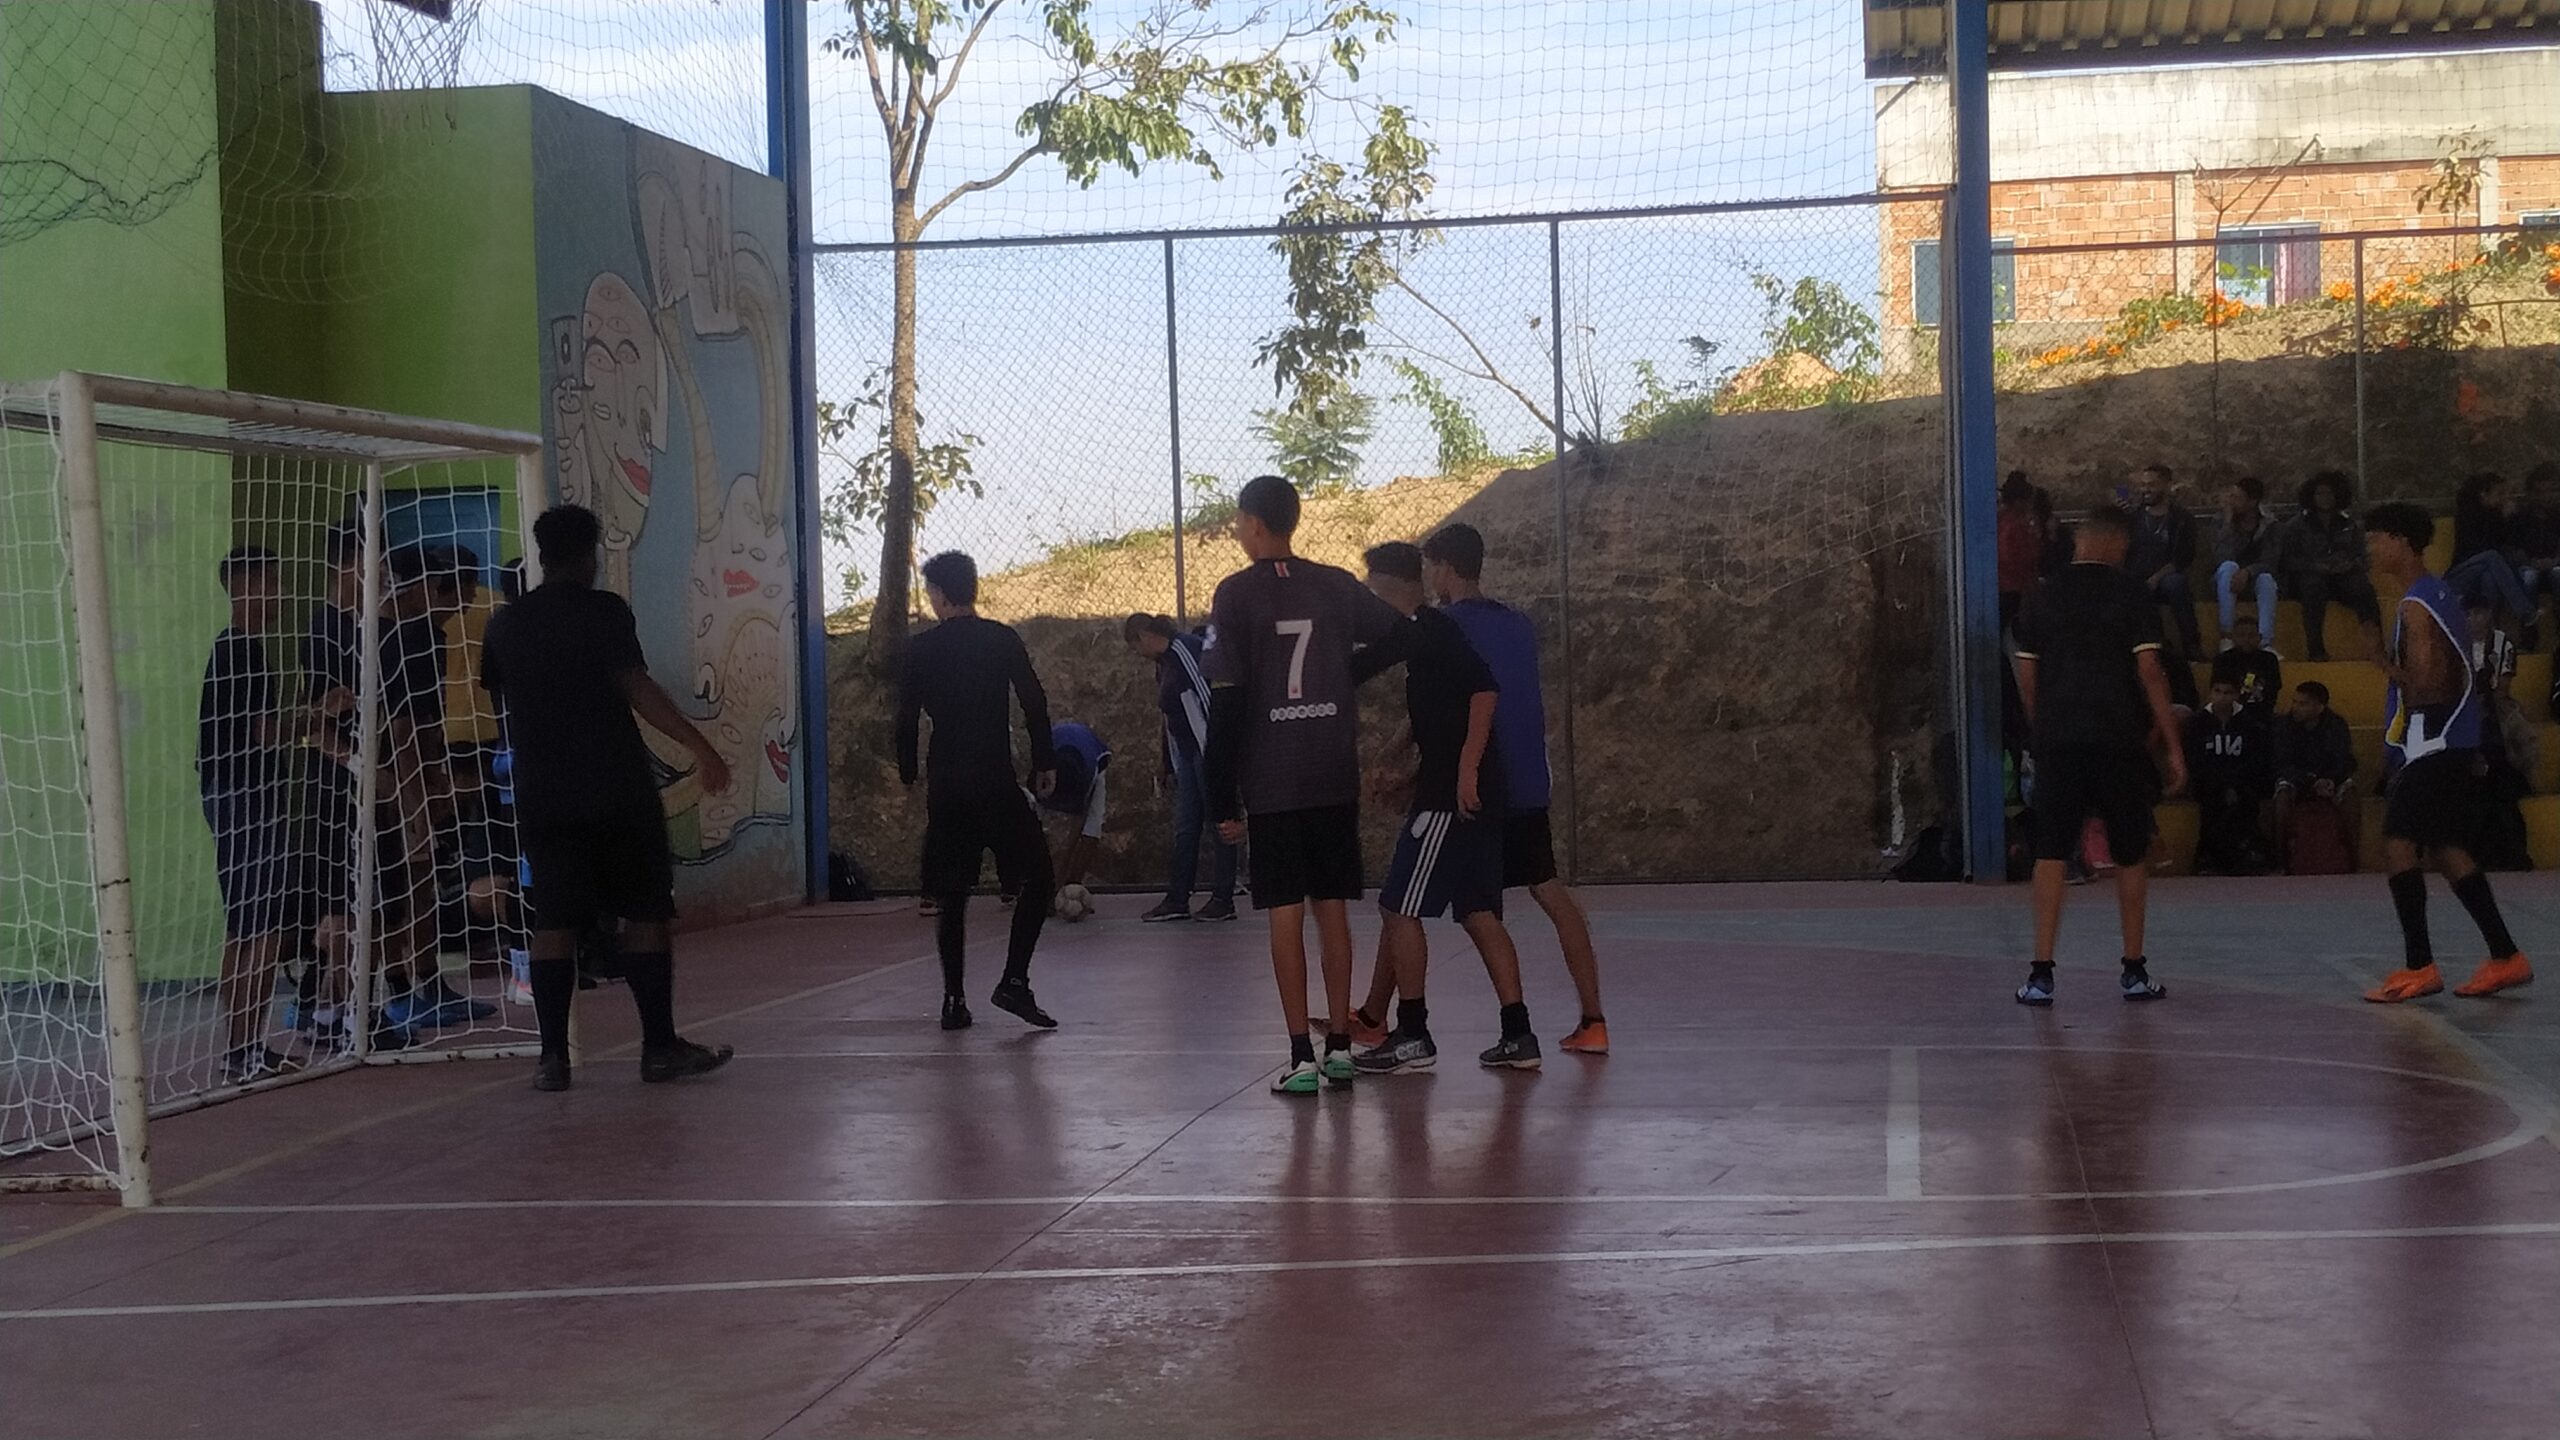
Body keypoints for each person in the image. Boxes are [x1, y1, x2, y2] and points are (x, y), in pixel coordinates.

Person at [480, 505, 736, 1090]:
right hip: (614, 785)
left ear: (542, 553)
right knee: (645, 912)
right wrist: (703, 749)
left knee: (554, 920)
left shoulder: (505, 625)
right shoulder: (605, 612)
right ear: (589, 553)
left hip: (543, 791)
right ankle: (659, 1047)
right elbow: (637, 688)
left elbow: (500, 702)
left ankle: (552, 1059)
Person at [1201, 475, 1412, 1096]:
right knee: (1333, 911)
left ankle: (1299, 1056)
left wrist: (1220, 796)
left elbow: (1227, 700)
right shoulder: (1336, 584)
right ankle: (1340, 1047)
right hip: (1330, 772)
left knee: (1285, 916)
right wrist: (1342, 674)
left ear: (1253, 524)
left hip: (1273, 778)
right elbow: (1401, 634)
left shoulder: (1235, 594)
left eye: (1239, 522)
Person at [1344, 542, 1542, 1075]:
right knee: (1478, 912)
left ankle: (1413, 1034)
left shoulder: (1433, 630)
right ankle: (1519, 1034)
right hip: (1457, 792)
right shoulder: (1413, 635)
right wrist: (1408, 775)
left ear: (1388, 587)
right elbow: (1358, 668)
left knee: (1398, 908)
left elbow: (1484, 692)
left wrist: (1466, 770)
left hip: (1452, 802)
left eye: (1370, 589)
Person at [1412, 520, 1610, 1054]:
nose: (1430, 578)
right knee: (1549, 891)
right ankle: (1593, 1019)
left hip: (1482, 783)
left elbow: (1445, 709)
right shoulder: (1518, 623)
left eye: (1432, 568)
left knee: (1415, 900)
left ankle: (1508, 1027)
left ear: (1446, 568)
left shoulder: (1445, 627)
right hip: (1529, 780)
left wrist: (1415, 767)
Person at [2358, 503, 2535, 1003]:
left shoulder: (2416, 605)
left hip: (2435, 741)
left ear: (2401, 541)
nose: (2371, 549)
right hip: (2452, 739)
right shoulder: (2437, 595)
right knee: (2447, 848)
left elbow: (2431, 686)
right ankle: (2506, 956)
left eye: (2376, 539)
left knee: (2398, 843)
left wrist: (2382, 664)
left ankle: (2420, 965)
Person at [2011, 504, 2187, 1006]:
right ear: (2116, 543)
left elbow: (2028, 679)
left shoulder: (2041, 596)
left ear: (2079, 540)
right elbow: (2150, 672)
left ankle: (2041, 974)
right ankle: (2133, 970)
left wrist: (2044, 728)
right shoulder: (2131, 593)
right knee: (2130, 853)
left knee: (2050, 852)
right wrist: (2172, 745)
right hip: (2119, 740)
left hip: (2058, 742)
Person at [896, 550, 1061, 1031]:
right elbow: (1033, 701)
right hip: (994, 778)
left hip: (947, 783)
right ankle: (1013, 980)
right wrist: (1044, 760)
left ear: (938, 594)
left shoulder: (921, 649)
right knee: (1038, 878)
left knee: (953, 892)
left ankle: (953, 1000)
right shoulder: (1000, 639)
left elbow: (906, 716)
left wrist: (908, 772)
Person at [198, 547, 317, 1082]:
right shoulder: (242, 650)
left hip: (232, 795)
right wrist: (316, 716)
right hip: (244, 797)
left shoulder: (234, 648)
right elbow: (265, 733)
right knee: (260, 928)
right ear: (244, 587)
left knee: (246, 927)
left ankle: (243, 1049)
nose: (281, 594)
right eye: (272, 582)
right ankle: (243, 1052)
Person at [1124, 614, 1238, 923]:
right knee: (1186, 826)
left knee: (1220, 822)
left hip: (1206, 751)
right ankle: (1178, 898)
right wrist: (1167, 760)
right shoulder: (1163, 665)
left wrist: (1218, 754)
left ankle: (1223, 898)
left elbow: (1208, 700)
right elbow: (1169, 716)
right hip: (1187, 753)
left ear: (1143, 637)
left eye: (1135, 647)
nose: (1138, 654)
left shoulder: (1184, 652)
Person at [2282, 471, 2380, 663]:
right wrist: (2315, 566)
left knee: (2364, 589)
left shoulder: (2349, 524)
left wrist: (2348, 565)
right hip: (2308, 579)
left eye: (2329, 493)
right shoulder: (2296, 525)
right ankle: (2316, 650)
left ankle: (2376, 646)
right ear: (2311, 496)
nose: (2325, 498)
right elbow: (2288, 560)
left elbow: (2362, 556)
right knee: (2313, 587)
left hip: (2342, 578)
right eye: (2320, 493)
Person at [2185, 679, 2273, 875]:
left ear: (2236, 695)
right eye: (2217, 691)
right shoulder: (2197, 723)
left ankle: (2247, 851)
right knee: (2212, 800)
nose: (2222, 697)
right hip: (2207, 779)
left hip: (2242, 779)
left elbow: (2255, 759)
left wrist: (2233, 783)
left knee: (2246, 799)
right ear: (2210, 694)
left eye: (2227, 692)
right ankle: (2207, 856)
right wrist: (2223, 783)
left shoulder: (2250, 723)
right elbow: (2195, 760)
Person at [2273, 681, 2358, 873]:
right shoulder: (2283, 725)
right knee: (2282, 796)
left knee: (2351, 794)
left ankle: (2353, 861)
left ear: (2320, 707)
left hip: (2329, 780)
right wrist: (2311, 781)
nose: (2296, 707)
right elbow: (2282, 763)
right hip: (2297, 780)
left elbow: (2344, 760)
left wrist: (2330, 780)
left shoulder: (2336, 725)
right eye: (2295, 702)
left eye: (2303, 704)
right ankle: (2280, 861)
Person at [2447, 471, 2539, 649]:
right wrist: (2500, 519)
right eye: (2499, 493)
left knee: (2489, 579)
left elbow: (2509, 543)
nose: (2503, 498)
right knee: (2491, 557)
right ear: (2484, 494)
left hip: (2483, 572)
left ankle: (2490, 635)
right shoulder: (2467, 515)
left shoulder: (2496, 516)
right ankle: (2525, 611)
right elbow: (2480, 549)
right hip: (2460, 575)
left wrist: (2509, 519)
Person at [2122, 463, 2203, 658]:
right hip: (2136, 576)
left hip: (2166, 576)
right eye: (2143, 485)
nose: (2146, 490)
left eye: (2151, 485)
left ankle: (2191, 645)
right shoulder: (2132, 518)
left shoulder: (2182, 519)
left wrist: (2157, 577)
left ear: (2166, 485)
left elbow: (2183, 557)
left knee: (2176, 584)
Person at [2211, 476, 2283, 652]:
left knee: (2267, 580)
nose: (2232, 502)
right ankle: (2227, 636)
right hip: (2226, 581)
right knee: (2228, 567)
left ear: (2252, 502)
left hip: (2255, 578)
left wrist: (2248, 572)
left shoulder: (2271, 525)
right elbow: (2220, 556)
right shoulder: (2220, 521)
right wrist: (2228, 523)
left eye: (2237, 498)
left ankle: (2265, 642)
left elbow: (2271, 560)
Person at [1038, 720, 1110, 896]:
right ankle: (1037, 885)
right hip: (1052, 758)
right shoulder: (1041, 764)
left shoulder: (1087, 774)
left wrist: (1061, 882)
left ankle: (1073, 885)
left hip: (1095, 755)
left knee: (1093, 825)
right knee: (1033, 827)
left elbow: (1079, 825)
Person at [2209, 621, 2283, 722]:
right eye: (2241, 635)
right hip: (2230, 715)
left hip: (2262, 714)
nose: (2246, 639)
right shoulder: (2223, 660)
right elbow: (2218, 691)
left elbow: (2273, 689)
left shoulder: (2269, 659)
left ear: (2259, 637)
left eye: (2251, 635)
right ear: (2233, 637)